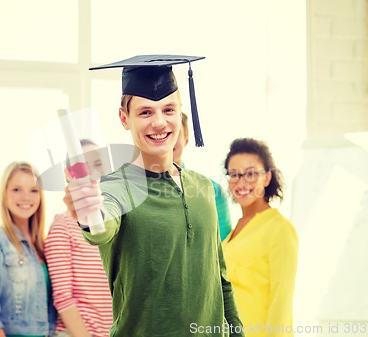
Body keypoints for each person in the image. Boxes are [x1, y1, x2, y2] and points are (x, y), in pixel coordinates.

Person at [63, 55, 244, 337]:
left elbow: (220, 279)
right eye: (146, 112)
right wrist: (88, 213)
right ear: (125, 118)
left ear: (181, 113)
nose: (159, 122)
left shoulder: (203, 188)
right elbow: (101, 226)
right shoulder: (116, 187)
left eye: (168, 110)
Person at [221, 138, 298, 337]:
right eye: (234, 175)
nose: (242, 182)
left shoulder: (279, 229)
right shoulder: (232, 233)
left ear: (267, 177)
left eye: (251, 174)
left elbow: (281, 302)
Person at [0, 161, 57, 337]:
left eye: (33, 190)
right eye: (16, 189)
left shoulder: (44, 246)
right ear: (4, 194)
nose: (26, 197)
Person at [45, 139, 113, 337]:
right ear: (68, 173)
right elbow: (63, 299)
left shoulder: (113, 223)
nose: (92, 172)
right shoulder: (62, 227)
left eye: (98, 164)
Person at [173, 112, 233, 240]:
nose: (167, 139)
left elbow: (221, 245)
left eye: (175, 132)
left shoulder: (212, 191)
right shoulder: (129, 188)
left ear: (186, 140)